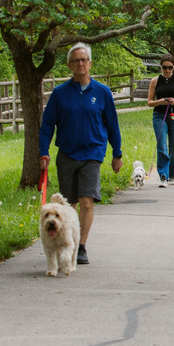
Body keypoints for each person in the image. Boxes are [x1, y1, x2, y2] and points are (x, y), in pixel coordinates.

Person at [38, 43, 122, 265]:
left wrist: (117, 153)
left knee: (86, 201)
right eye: (76, 60)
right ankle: (67, 242)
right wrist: (43, 152)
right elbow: (47, 126)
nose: (81, 63)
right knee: (69, 205)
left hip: (92, 154)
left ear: (90, 63)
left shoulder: (102, 92)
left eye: (84, 59)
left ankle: (81, 245)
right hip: (66, 154)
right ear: (69, 65)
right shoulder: (59, 94)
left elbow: (113, 125)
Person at [145, 54, 174, 188]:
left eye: (170, 68)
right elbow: (149, 102)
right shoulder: (155, 81)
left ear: (173, 67)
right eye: (165, 67)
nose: (167, 70)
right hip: (159, 116)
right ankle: (163, 175)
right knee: (162, 146)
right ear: (161, 67)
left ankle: (172, 175)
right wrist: (160, 102)